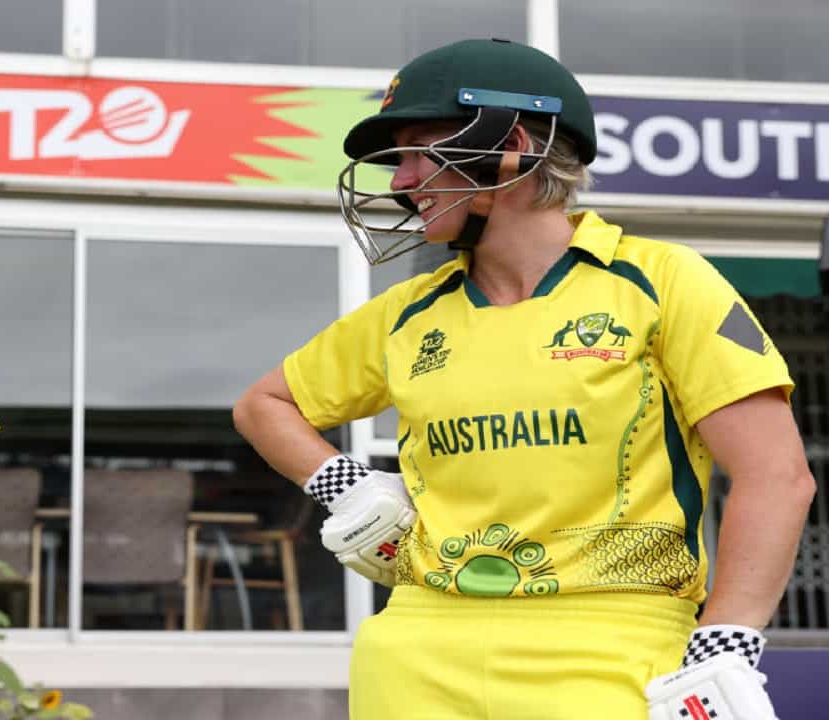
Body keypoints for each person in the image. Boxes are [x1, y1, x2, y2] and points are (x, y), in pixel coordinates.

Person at [233, 39, 816, 719]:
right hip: (416, 648)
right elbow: (264, 404)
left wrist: (726, 641)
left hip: (616, 648)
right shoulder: (408, 312)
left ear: (511, 146)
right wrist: (348, 486)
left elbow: (776, 475)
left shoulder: (660, 281)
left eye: (419, 151)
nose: (399, 181)